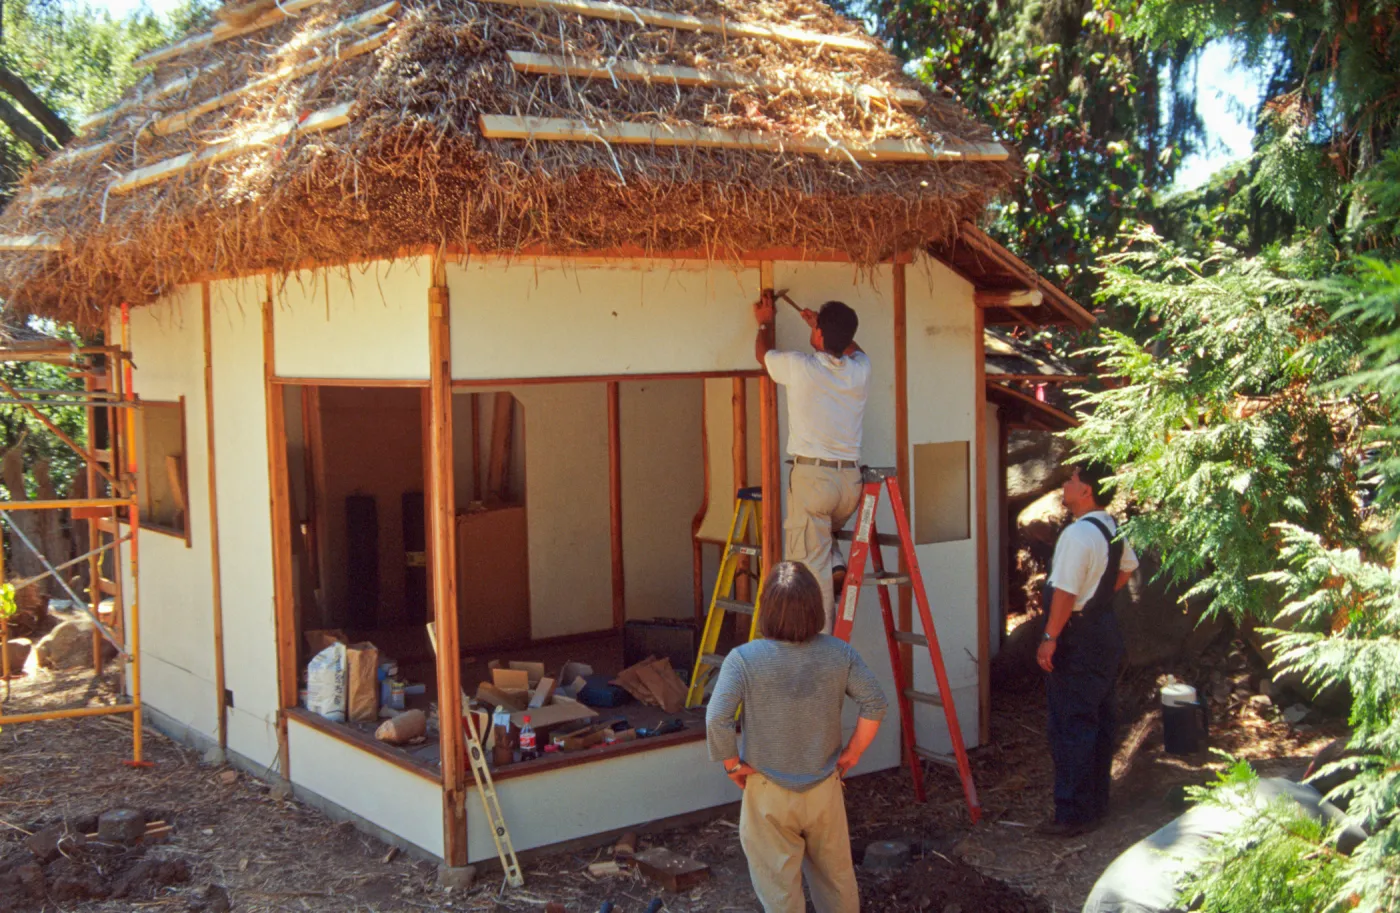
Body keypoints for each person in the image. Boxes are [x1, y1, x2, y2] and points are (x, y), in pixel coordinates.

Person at [706, 561, 887, 913]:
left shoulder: (743, 660)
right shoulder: (839, 653)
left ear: (766, 609)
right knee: (837, 884)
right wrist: (852, 754)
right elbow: (875, 702)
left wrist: (732, 765)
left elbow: (717, 717)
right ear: (815, 608)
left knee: (779, 893)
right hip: (824, 788)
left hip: (767, 790)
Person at [754, 295, 871, 630]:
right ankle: (836, 564)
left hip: (814, 480)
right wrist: (823, 329)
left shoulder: (801, 366)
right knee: (821, 537)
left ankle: (822, 641)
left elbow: (763, 356)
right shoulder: (860, 371)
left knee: (810, 565)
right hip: (849, 484)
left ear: (819, 333)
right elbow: (852, 349)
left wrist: (763, 321)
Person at [1036, 460, 1139, 836]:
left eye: (1072, 479)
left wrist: (1050, 637)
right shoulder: (1110, 527)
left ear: (1087, 490)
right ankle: (1096, 804)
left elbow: (1065, 592)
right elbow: (1127, 568)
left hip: (1077, 638)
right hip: (1103, 632)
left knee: (1070, 724)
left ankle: (1073, 814)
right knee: (1099, 718)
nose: (1065, 484)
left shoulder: (1078, 536)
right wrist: (1097, 601)